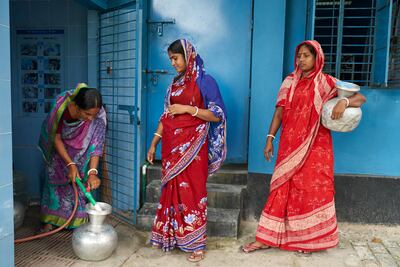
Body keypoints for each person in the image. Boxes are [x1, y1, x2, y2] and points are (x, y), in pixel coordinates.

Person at [242, 40, 366, 253]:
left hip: (317, 146)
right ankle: (265, 238)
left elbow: (360, 97)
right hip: (290, 145)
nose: (301, 59)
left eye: (306, 55)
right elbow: (279, 112)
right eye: (299, 55)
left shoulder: (327, 83)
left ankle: (309, 241)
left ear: (317, 58)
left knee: (311, 191)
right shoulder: (289, 82)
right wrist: (270, 138)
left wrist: (343, 102)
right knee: (281, 188)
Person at [147, 39, 227, 262]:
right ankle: (170, 237)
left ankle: (196, 243)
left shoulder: (205, 81)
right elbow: (166, 115)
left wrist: (188, 109)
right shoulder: (173, 84)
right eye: (170, 59)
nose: (173, 63)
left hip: (194, 149)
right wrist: (154, 142)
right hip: (172, 148)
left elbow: (217, 114)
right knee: (171, 191)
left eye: (176, 58)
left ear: (188, 56)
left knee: (193, 192)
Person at [38, 83, 106, 231]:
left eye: (93, 115)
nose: (90, 119)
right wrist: (70, 164)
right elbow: (55, 137)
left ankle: (76, 221)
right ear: (75, 106)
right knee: (54, 179)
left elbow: (96, 144)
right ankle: (49, 219)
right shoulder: (61, 107)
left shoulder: (98, 115)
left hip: (80, 151)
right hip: (57, 146)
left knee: (78, 180)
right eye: (87, 114)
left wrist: (93, 172)